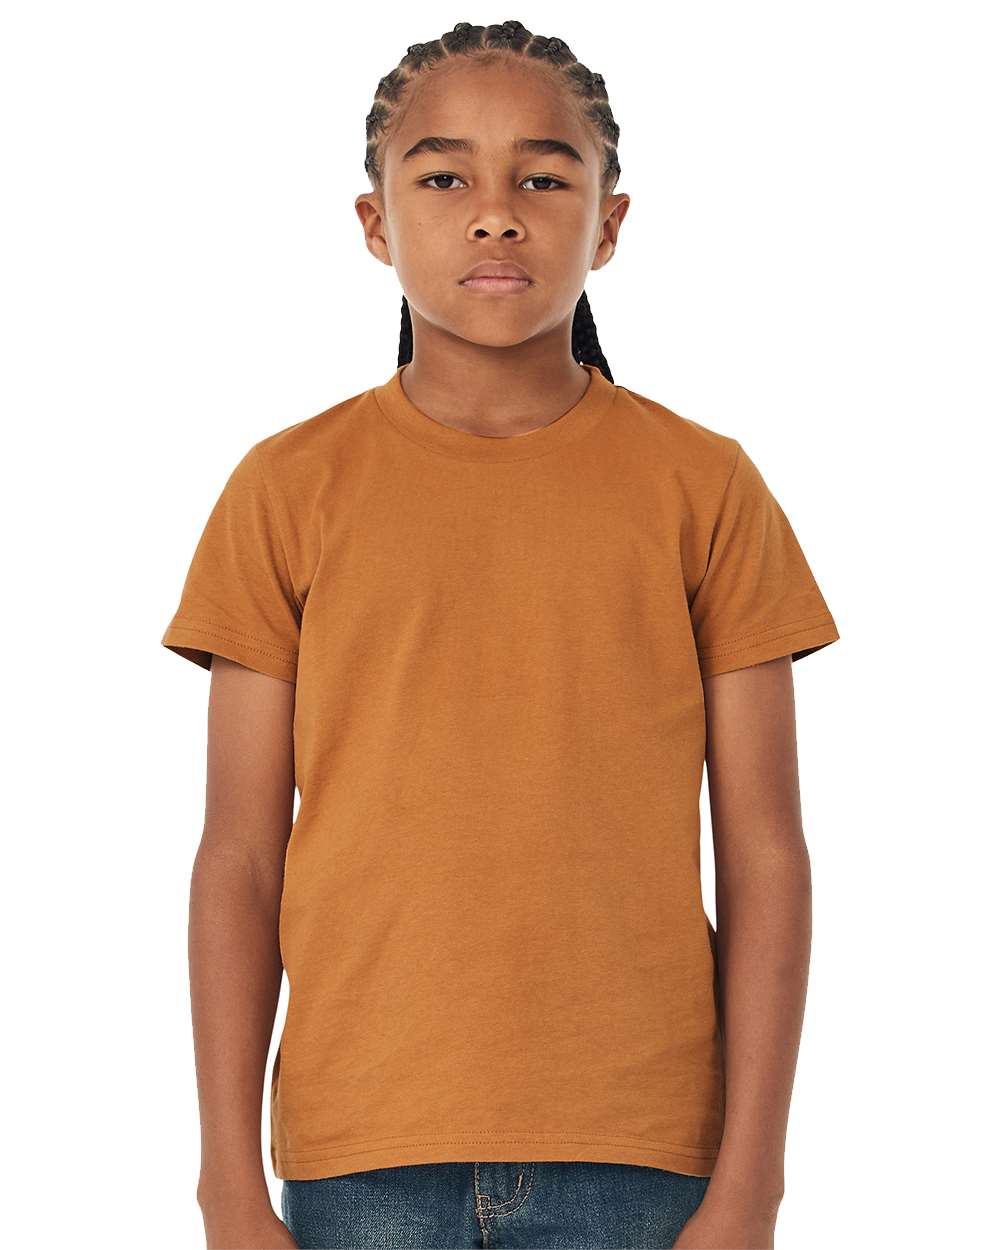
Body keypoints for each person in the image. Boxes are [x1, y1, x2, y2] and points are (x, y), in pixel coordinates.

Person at [161, 19, 840, 1250]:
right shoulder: (285, 488)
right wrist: (225, 1188)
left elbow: (765, 854)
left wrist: (753, 1183)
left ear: (609, 223)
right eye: (441, 178)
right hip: (363, 1145)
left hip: (639, 1150)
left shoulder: (705, 487)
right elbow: (239, 858)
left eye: (541, 177)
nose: (493, 215)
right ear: (374, 223)